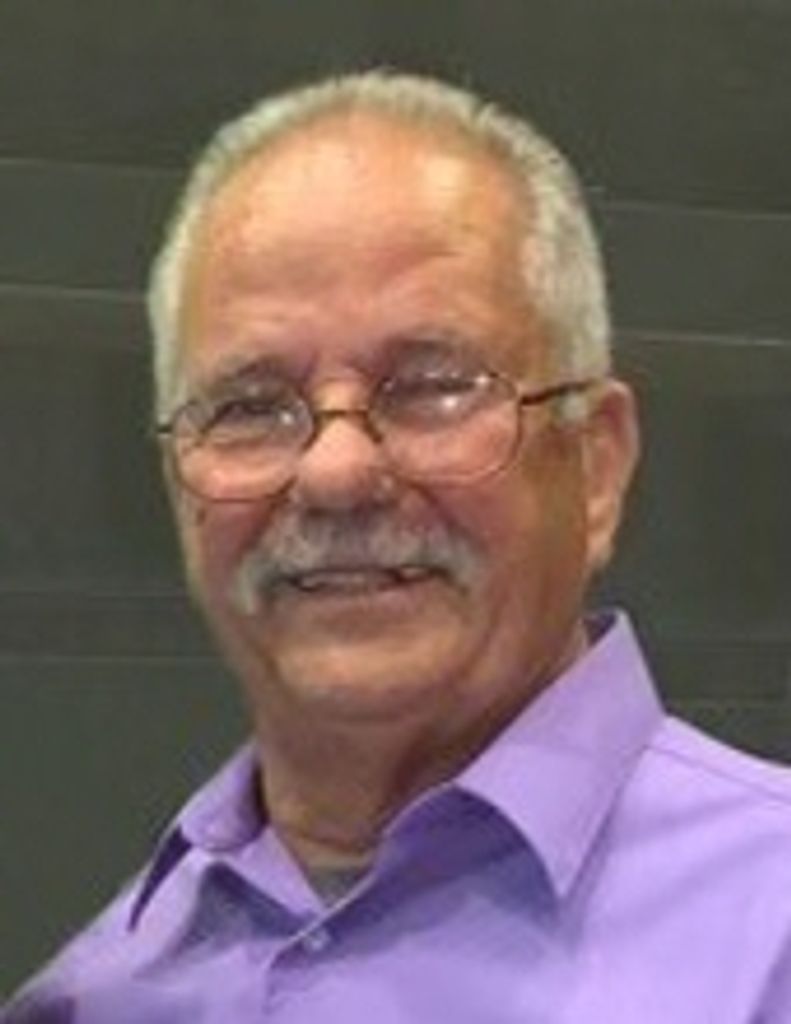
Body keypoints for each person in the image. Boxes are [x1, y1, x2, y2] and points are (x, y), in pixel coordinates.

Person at [5, 69, 791, 1023]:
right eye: (249, 406)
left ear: (595, 463)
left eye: (431, 386)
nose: (335, 473)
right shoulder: (99, 997)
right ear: (179, 482)